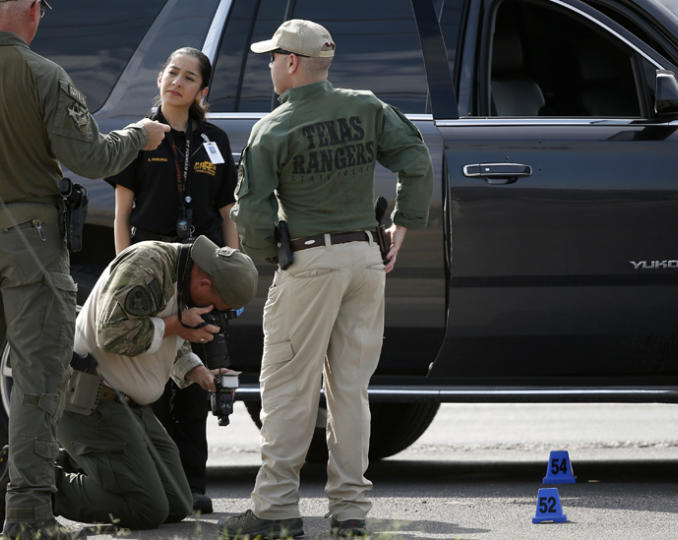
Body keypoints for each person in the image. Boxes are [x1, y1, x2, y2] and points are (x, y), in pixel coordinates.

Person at [0, 1, 169, 539]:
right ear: (29, 11)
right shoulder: (44, 74)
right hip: (32, 247)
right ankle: (28, 517)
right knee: (37, 383)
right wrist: (141, 135)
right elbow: (91, 157)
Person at [219, 19, 433, 540]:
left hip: (311, 262)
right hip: (365, 258)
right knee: (351, 391)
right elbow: (417, 160)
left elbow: (250, 211)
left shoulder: (273, 127)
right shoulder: (365, 105)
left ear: (292, 63)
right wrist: (402, 226)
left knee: (289, 388)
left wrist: (274, 255)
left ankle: (274, 510)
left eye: (273, 57)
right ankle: (350, 512)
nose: (269, 65)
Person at [45, 236, 257, 530]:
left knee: (177, 502)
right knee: (146, 508)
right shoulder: (149, 265)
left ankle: (68, 461)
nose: (213, 314)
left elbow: (165, 333)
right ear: (206, 284)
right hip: (91, 402)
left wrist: (199, 372)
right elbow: (110, 332)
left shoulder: (182, 277)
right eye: (216, 306)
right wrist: (176, 325)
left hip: (128, 407)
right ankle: (32, 482)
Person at [105, 47, 239, 513]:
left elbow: (226, 215)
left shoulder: (214, 140)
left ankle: (192, 485)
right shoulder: (139, 137)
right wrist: (124, 274)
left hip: (201, 276)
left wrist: (232, 272)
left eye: (188, 77)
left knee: (195, 382)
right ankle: (157, 485)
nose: (176, 82)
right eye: (171, 73)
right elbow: (123, 214)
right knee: (155, 382)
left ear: (202, 90)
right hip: (152, 269)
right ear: (159, 78)